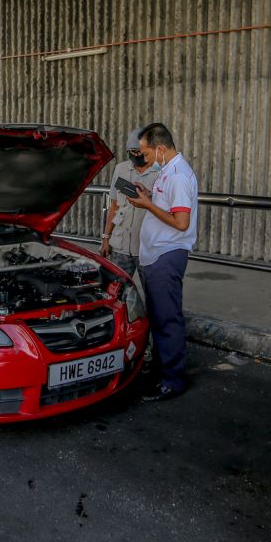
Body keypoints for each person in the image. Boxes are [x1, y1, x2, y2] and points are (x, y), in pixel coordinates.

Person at [127, 122, 198, 401]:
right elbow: (165, 209)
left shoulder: (179, 175)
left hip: (167, 254)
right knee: (158, 317)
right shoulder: (167, 173)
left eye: (145, 153)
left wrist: (147, 205)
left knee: (168, 318)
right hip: (155, 254)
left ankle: (172, 380)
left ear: (159, 149)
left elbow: (181, 222)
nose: (143, 159)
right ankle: (160, 371)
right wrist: (146, 197)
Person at [100, 127, 160, 284]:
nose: (137, 155)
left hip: (146, 247)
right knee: (115, 289)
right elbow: (114, 206)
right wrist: (106, 238)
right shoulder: (120, 169)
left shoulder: (161, 173)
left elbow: (167, 210)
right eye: (133, 152)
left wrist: (150, 197)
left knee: (153, 292)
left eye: (141, 152)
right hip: (121, 245)